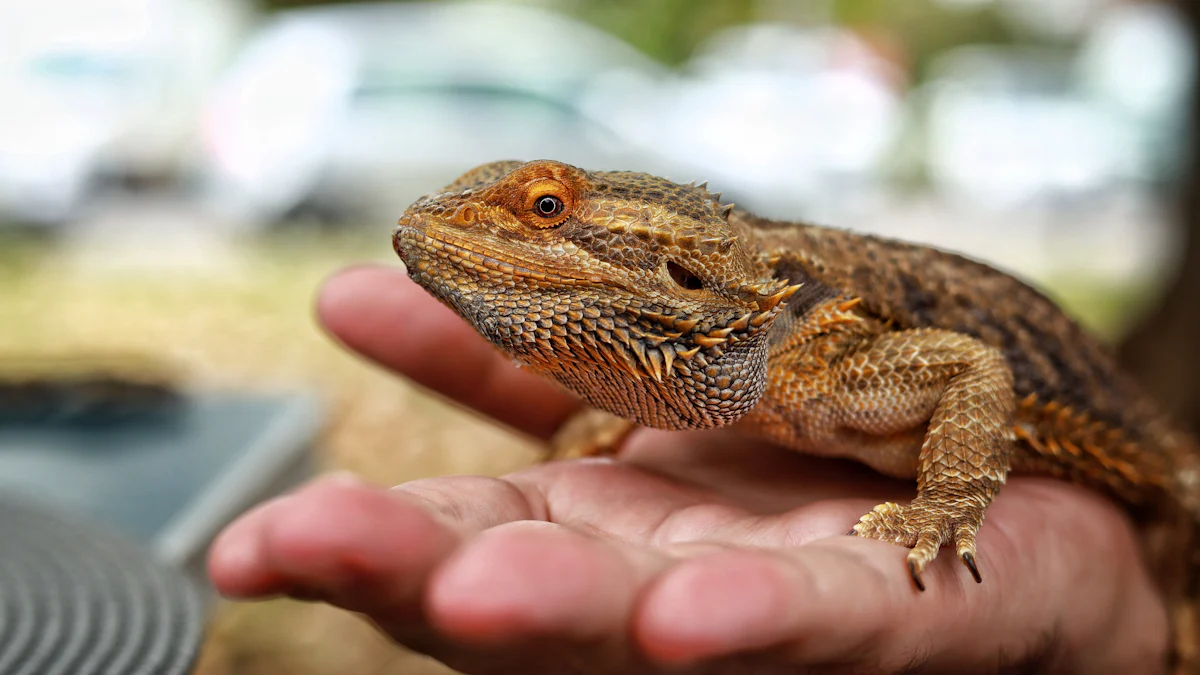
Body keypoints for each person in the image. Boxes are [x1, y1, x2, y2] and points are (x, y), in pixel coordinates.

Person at [209, 265, 1169, 674]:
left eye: (546, 214)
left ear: (682, 277)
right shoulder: (732, 360)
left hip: (1162, 496)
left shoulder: (818, 358)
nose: (513, 238)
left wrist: (951, 500)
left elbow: (968, 366)